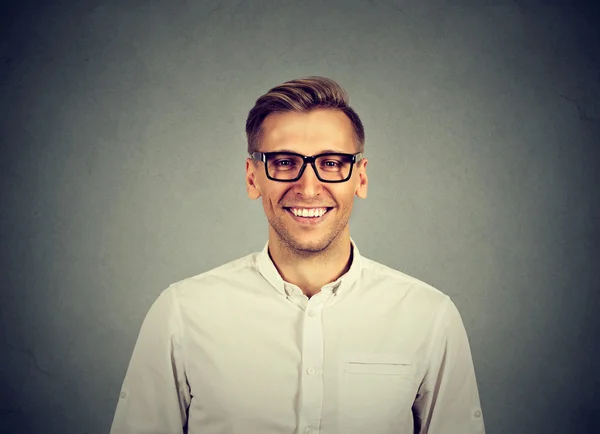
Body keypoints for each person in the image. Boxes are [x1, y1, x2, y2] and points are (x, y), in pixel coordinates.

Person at [110, 76, 486, 434]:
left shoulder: (430, 317)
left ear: (362, 177)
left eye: (332, 163)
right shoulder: (181, 314)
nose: (308, 188)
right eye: (285, 162)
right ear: (252, 177)